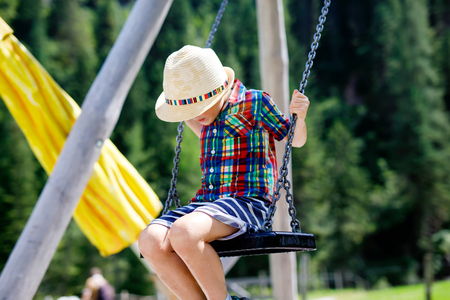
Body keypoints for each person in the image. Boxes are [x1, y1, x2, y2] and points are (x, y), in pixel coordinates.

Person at [139, 45, 309, 300]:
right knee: (150, 240)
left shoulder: (255, 103)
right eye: (188, 111)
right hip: (208, 203)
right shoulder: (201, 118)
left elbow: (294, 139)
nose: (194, 116)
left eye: (197, 108)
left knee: (184, 233)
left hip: (247, 202)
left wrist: (300, 117)